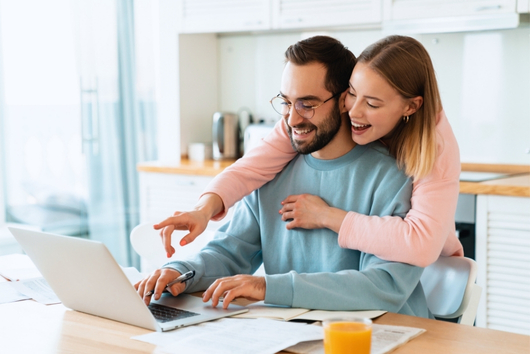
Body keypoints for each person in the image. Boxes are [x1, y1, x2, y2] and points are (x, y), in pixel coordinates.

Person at [136, 36, 431, 318]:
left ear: (345, 101)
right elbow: (229, 252)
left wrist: (268, 287)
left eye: (308, 104)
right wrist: (181, 272)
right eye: (286, 102)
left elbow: (382, 286)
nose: (292, 119)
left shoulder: (393, 177)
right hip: (298, 332)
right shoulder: (273, 169)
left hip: (384, 334)